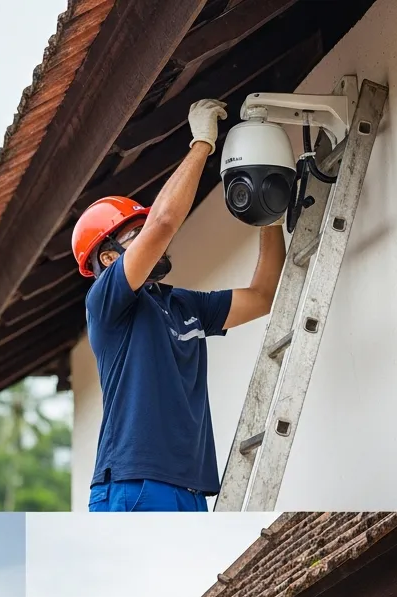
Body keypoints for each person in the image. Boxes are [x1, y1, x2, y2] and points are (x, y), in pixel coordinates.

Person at [71, 98, 287, 512]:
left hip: (189, 489)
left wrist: (269, 219)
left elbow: (263, 297)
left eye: (142, 229)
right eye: (135, 233)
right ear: (109, 258)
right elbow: (164, 222)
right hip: (134, 485)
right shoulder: (106, 303)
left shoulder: (181, 305)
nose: (153, 238)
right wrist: (201, 144)